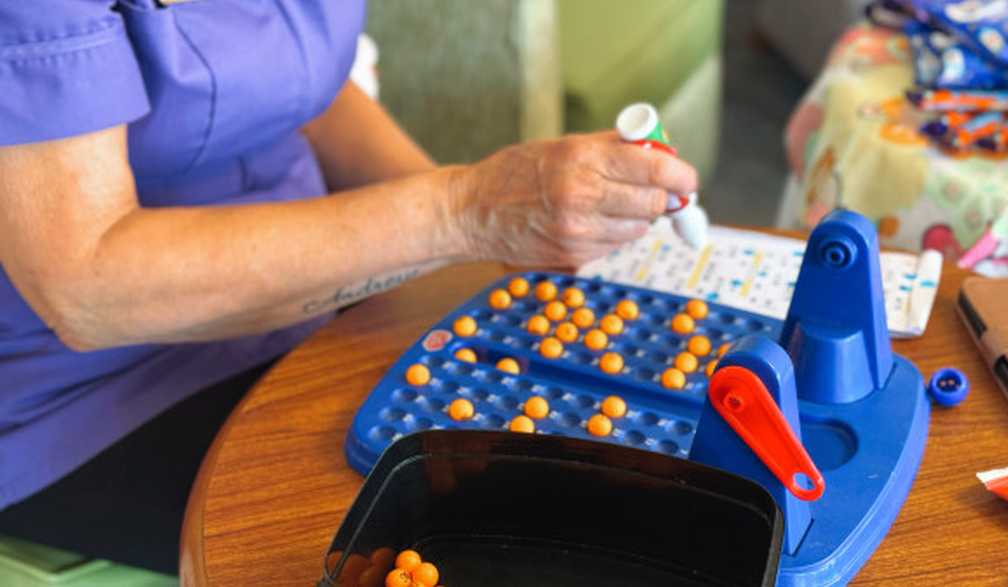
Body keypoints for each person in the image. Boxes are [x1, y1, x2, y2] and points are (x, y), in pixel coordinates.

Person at [0, 0, 698, 574]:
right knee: (471, 543)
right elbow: (86, 289)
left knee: (591, 469)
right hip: (84, 391)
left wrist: (487, 235)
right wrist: (466, 212)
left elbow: (301, 81)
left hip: (318, 279)